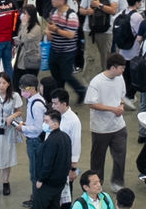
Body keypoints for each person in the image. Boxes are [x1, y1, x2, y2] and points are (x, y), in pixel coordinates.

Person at [86, 54, 131, 187]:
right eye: (121, 68)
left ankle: (117, 182)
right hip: (100, 128)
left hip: (118, 126)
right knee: (97, 159)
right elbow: (91, 103)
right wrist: (112, 109)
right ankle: (96, 184)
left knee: (120, 156)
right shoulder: (96, 82)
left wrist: (121, 106)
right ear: (113, 68)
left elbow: (121, 96)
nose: (123, 70)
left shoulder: (120, 78)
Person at [34, 109, 75, 209]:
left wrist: (40, 180)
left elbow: (47, 163)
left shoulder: (51, 141)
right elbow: (68, 159)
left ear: (55, 124)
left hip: (48, 183)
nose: (44, 124)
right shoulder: (65, 137)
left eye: (47, 121)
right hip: (60, 182)